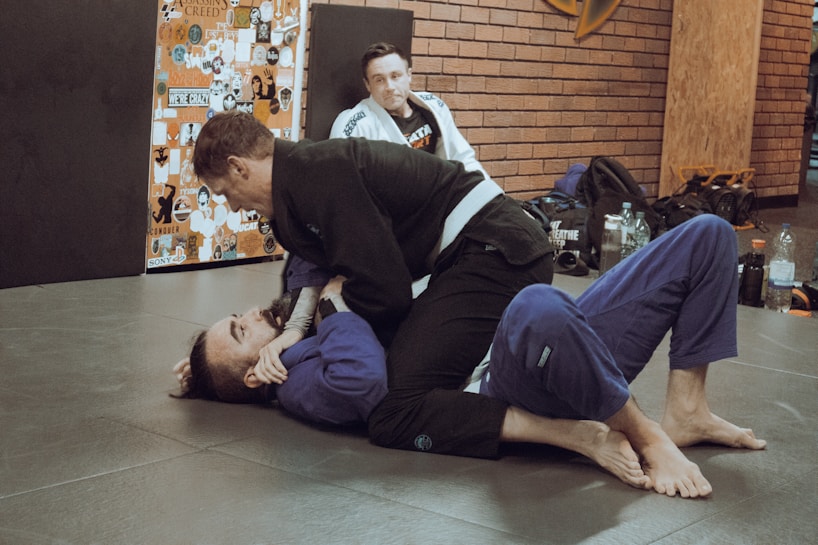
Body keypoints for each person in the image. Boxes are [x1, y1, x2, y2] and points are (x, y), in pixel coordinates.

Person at [190, 110, 763, 498]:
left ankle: (650, 433)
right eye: (239, 330)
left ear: (239, 167)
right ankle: (684, 408)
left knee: (399, 409)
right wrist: (207, 365)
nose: (233, 205)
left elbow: (384, 293)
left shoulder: (316, 176)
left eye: (224, 192)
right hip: (522, 309)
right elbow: (313, 263)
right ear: (249, 377)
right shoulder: (302, 187)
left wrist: (311, 319)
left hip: (492, 250)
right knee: (708, 232)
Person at [174, 276, 388, 426]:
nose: (253, 312)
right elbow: (360, 378)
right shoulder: (292, 385)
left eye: (239, 316)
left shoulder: (289, 341)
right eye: (242, 330)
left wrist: (207, 371)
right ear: (254, 376)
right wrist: (332, 306)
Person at [329, 42, 488, 180]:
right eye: (379, 80)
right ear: (368, 85)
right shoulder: (355, 124)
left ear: (409, 75)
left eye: (395, 76)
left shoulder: (433, 105)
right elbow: (339, 181)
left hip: (439, 200)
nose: (389, 87)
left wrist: (488, 194)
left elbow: (461, 155)